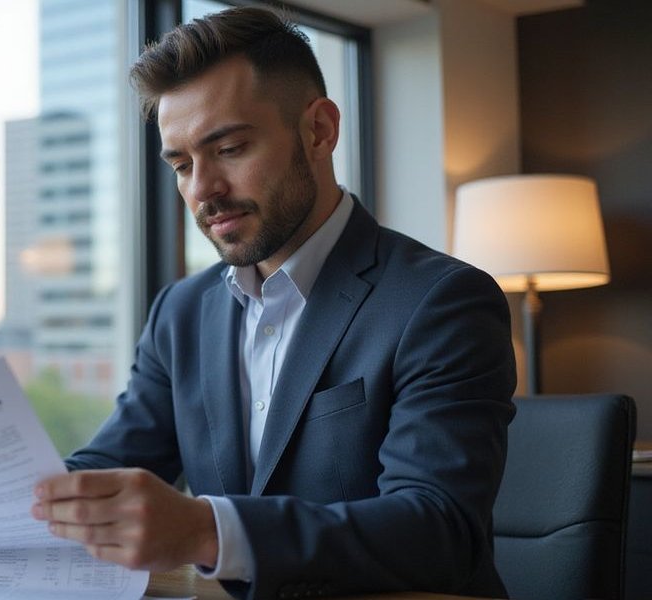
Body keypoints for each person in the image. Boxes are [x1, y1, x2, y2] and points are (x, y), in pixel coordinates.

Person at [28, 6, 517, 599]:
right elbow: (107, 468)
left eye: (229, 148)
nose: (202, 190)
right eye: (182, 165)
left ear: (319, 131)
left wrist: (208, 530)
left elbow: (439, 529)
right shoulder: (181, 313)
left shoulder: (441, 302)